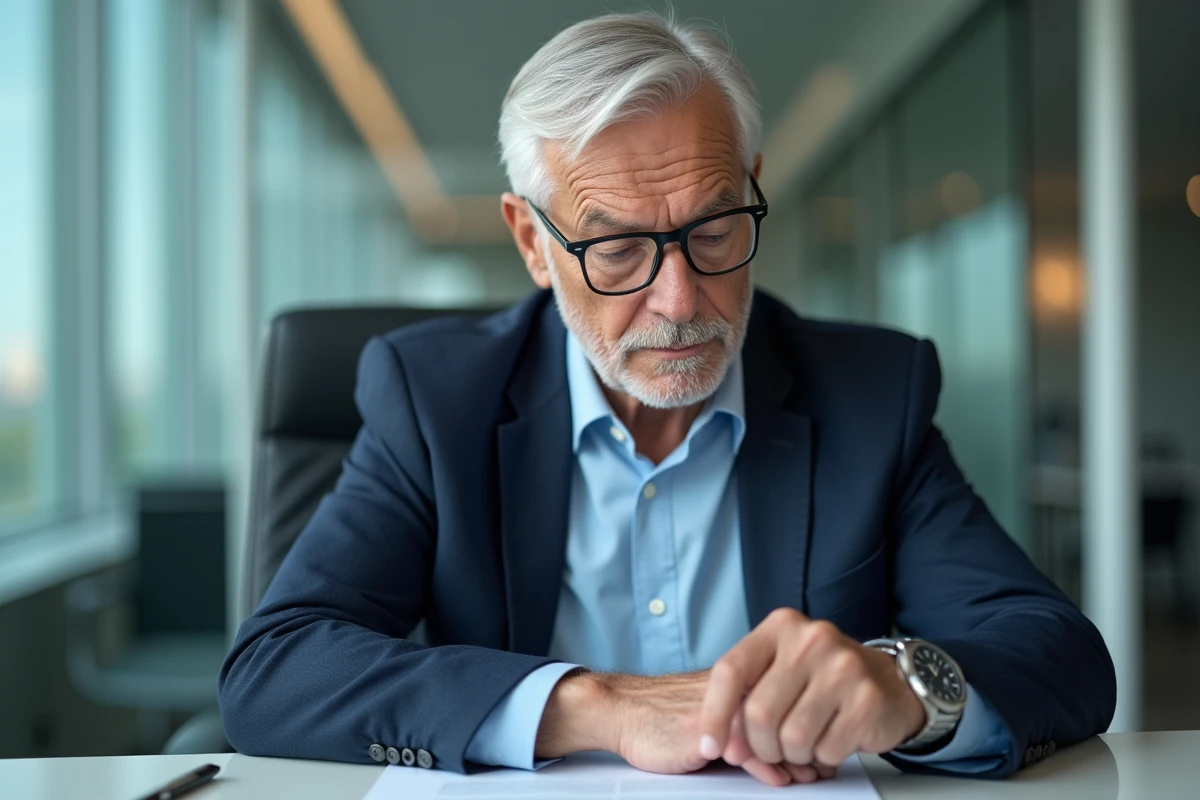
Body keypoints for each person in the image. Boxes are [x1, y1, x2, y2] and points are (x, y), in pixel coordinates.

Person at [219, 11, 1115, 786]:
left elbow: (1062, 654)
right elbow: (277, 670)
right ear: (532, 242)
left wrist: (905, 684)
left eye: (715, 228)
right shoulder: (434, 398)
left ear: (754, 187)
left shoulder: (872, 395)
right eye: (616, 251)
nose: (681, 300)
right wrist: (597, 704)